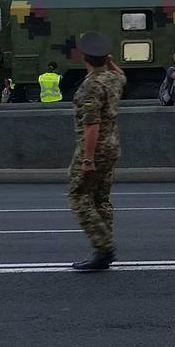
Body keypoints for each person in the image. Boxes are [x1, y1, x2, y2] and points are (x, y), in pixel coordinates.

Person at [67, 32, 126, 272]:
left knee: (79, 195)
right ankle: (104, 249)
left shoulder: (91, 85)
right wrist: (110, 62)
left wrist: (87, 159)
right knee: (101, 198)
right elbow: (122, 76)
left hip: (95, 149)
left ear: (84, 57)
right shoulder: (112, 78)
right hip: (112, 146)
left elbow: (92, 124)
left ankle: (104, 247)